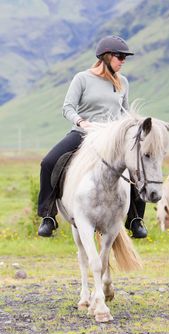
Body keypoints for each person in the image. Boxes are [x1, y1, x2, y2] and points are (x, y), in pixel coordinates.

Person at [37, 35, 148, 239]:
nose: (123, 60)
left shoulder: (123, 82)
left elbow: (125, 111)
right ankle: (48, 217)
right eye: (120, 56)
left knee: (138, 167)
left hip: (112, 139)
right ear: (106, 57)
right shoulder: (82, 78)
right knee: (49, 163)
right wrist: (80, 121)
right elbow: (67, 107)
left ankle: (135, 219)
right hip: (84, 133)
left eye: (125, 57)